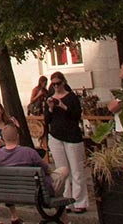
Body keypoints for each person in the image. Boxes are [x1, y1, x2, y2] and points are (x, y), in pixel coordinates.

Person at [43, 72, 91, 213]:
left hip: (72, 136)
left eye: (58, 83)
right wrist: (51, 108)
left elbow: (76, 116)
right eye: (53, 84)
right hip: (56, 136)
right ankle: (66, 200)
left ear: (63, 82)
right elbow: (47, 120)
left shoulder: (71, 97)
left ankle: (79, 201)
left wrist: (64, 107)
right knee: (62, 170)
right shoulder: (50, 98)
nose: (56, 86)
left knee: (76, 169)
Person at [0, 135, 46, 224]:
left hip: (2, 190)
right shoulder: (28, 152)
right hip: (25, 192)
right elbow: (46, 168)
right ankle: (13, 216)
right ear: (17, 136)